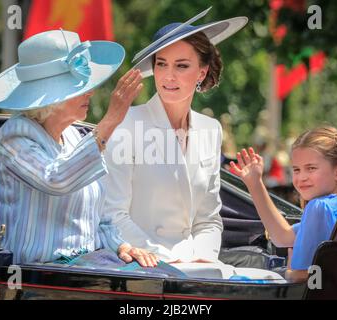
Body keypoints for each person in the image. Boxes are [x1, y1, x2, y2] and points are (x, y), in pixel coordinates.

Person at [0, 30, 161, 270]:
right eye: (79, 88)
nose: (91, 92)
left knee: (170, 280)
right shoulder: (14, 136)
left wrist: (121, 246)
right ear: (50, 98)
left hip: (86, 264)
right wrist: (110, 121)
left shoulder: (73, 135)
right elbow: (56, 179)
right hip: (39, 270)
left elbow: (97, 218)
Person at [102, 9, 249, 266]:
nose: (169, 76)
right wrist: (166, 261)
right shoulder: (127, 124)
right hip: (140, 267)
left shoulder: (210, 129)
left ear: (201, 73)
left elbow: (208, 219)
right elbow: (112, 214)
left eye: (181, 65)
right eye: (162, 64)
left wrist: (202, 259)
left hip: (195, 269)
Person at [230, 126, 337, 282]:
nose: (301, 177)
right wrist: (255, 184)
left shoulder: (319, 207)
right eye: (296, 170)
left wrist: (290, 272)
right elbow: (283, 237)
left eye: (311, 168)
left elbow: (303, 278)